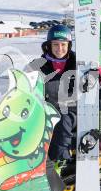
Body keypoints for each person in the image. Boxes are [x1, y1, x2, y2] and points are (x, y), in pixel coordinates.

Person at [27, 24, 77, 162]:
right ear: (49, 45)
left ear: (69, 46)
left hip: (71, 109)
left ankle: (60, 161)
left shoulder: (78, 64)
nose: (59, 48)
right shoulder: (38, 64)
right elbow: (23, 80)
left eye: (63, 44)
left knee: (61, 120)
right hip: (45, 109)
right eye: (55, 44)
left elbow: (97, 75)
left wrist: (98, 72)